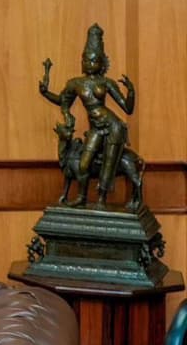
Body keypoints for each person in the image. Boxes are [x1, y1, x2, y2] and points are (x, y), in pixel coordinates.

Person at [38, 23, 136, 208]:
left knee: (109, 161)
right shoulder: (76, 83)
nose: (89, 64)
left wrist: (131, 92)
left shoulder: (106, 83)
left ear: (102, 63)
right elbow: (62, 100)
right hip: (96, 129)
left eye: (94, 60)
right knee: (84, 164)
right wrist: (45, 93)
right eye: (86, 60)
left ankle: (101, 199)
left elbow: (127, 108)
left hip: (113, 126)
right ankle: (82, 196)